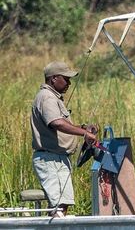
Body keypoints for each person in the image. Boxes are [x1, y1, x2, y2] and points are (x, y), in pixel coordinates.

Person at [30, 61, 97, 217]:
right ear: (54, 78)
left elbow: (60, 122)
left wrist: (83, 127)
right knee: (57, 207)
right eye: (66, 79)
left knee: (62, 205)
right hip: (50, 159)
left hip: (58, 159)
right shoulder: (47, 97)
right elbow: (57, 123)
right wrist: (84, 134)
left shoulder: (54, 98)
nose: (69, 83)